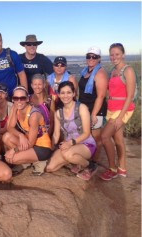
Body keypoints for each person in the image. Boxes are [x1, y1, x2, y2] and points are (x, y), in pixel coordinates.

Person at [99, 43, 136, 181]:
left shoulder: (128, 70)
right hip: (112, 108)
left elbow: (130, 95)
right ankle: (122, 168)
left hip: (121, 110)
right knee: (118, 139)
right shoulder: (113, 71)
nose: (114, 57)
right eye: (112, 54)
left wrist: (121, 117)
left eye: (117, 54)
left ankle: (112, 168)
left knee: (104, 137)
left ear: (123, 54)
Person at [46, 81, 97, 177]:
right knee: (50, 168)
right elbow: (56, 135)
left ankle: (89, 165)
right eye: (63, 93)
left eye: (69, 92)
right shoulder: (58, 113)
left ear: (74, 93)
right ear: (59, 95)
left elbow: (86, 133)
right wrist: (50, 147)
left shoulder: (82, 108)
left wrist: (70, 143)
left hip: (86, 144)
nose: (66, 96)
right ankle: (76, 161)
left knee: (68, 154)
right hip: (69, 145)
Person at [2, 86, 53, 176]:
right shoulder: (16, 108)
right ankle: (27, 162)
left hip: (41, 147)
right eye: (16, 98)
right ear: (13, 99)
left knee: (12, 159)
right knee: (6, 137)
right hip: (28, 141)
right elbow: (10, 127)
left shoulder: (34, 115)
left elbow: (31, 143)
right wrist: (21, 135)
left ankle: (39, 161)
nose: (19, 101)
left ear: (27, 99)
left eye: (22, 98)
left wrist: (14, 150)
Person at [77, 46, 108, 180]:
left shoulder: (100, 73)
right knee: (85, 136)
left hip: (95, 111)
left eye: (94, 57)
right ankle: (85, 162)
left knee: (96, 139)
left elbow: (101, 96)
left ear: (99, 59)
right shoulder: (86, 72)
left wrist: (94, 114)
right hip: (85, 109)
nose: (91, 59)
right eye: (89, 56)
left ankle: (93, 166)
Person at [0, 83, 13, 157]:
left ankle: (9, 159)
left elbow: (8, 128)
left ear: (6, 95)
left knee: (5, 137)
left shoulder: (12, 107)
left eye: (2, 93)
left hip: (8, 135)